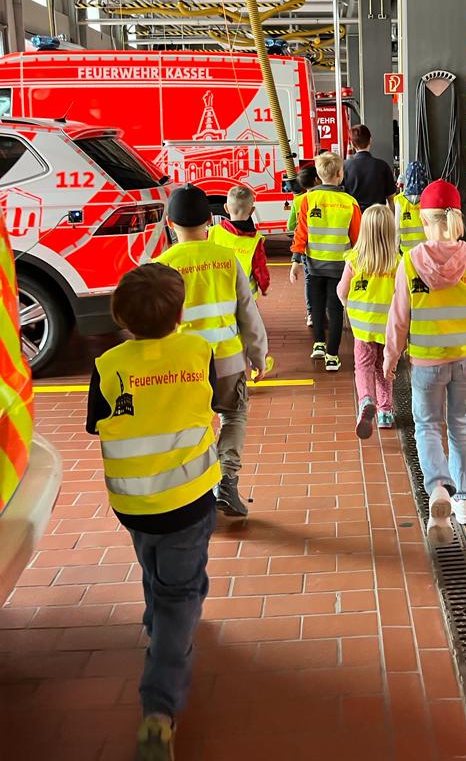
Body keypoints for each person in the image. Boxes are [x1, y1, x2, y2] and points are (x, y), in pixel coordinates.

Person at [87, 263, 219, 761]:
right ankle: (159, 710)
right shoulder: (198, 351)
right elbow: (212, 400)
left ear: (120, 316)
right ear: (180, 314)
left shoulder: (108, 365)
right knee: (181, 594)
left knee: (155, 566)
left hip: (134, 503)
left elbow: (97, 423)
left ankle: (160, 619)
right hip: (188, 500)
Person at [383, 179, 466, 545]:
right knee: (461, 425)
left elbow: (398, 319)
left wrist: (390, 357)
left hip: (426, 362)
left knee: (427, 426)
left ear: (424, 220)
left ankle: (438, 487)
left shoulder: (410, 263)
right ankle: (464, 499)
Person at [157, 183, 268, 517]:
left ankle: (197, 490)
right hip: (228, 362)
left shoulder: (162, 265)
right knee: (233, 416)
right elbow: (248, 312)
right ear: (210, 220)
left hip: (184, 366)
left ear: (170, 224)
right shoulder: (225, 258)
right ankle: (227, 481)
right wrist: (258, 355)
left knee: (192, 424)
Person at [290, 151, 361, 372]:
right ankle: (332, 355)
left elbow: (301, 232)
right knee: (335, 309)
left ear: (319, 176)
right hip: (339, 267)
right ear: (340, 174)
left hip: (314, 265)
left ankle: (319, 343)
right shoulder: (349, 202)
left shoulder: (308, 200)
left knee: (317, 306)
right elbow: (357, 238)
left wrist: (296, 261)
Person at [337, 204, 398, 437]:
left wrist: (348, 305)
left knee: (363, 365)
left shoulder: (354, 260)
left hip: (362, 328)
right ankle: (385, 412)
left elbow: (342, 291)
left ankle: (366, 400)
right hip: (388, 328)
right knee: (384, 367)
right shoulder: (397, 262)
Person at [208, 185, 270, 299]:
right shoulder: (256, 240)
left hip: (219, 293)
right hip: (245, 296)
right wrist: (264, 286)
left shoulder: (212, 232)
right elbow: (260, 268)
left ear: (226, 208)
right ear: (252, 211)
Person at [287, 164, 320, 327]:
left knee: (309, 281)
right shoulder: (322, 198)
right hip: (323, 246)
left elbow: (291, 225)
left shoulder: (298, 200)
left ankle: (311, 314)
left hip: (306, 248)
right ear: (317, 180)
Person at [343, 123, 397, 213]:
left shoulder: (345, 166)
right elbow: (391, 200)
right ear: (370, 140)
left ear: (352, 144)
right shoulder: (383, 166)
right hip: (378, 216)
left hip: (354, 216)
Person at [394, 161, 429, 253]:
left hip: (407, 252)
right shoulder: (428, 198)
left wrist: (395, 251)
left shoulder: (400, 200)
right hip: (425, 251)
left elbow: (397, 229)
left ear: (408, 177)